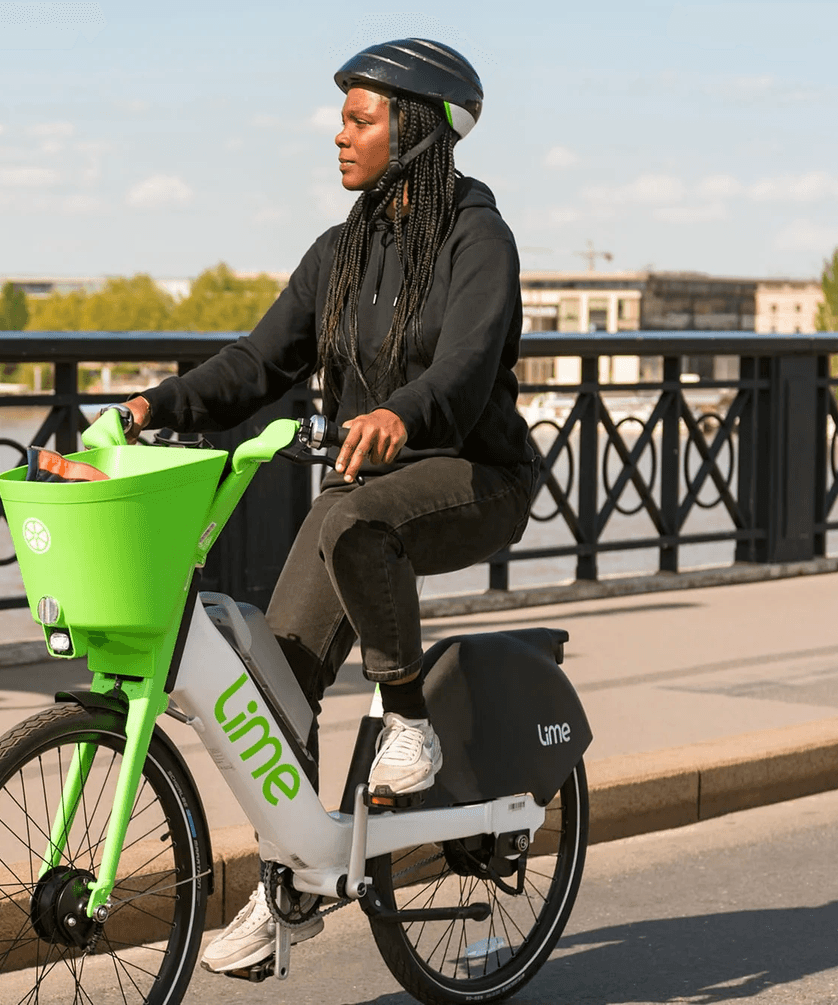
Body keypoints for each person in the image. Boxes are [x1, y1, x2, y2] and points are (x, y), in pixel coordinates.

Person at [112, 38, 539, 974]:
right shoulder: (342, 252)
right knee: (277, 686)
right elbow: (256, 365)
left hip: (477, 474)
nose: (337, 135)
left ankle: (410, 723)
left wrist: (399, 411)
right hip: (365, 492)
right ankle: (292, 886)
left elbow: (466, 373)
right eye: (341, 116)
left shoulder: (479, 238)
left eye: (359, 117)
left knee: (353, 520)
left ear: (416, 129)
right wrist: (153, 406)